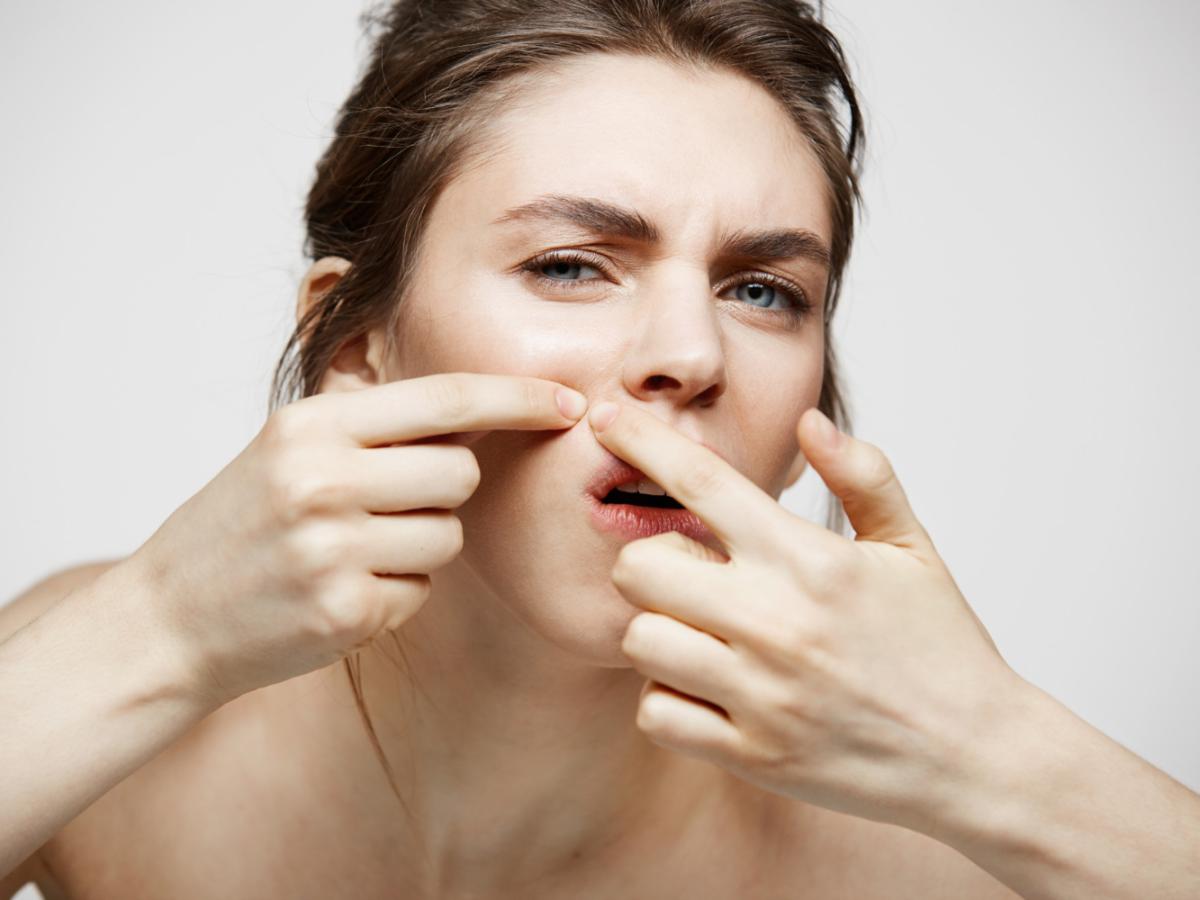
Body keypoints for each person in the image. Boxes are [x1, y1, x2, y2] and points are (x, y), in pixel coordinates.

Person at [2, 1, 1198, 897]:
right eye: (570, 265)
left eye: (764, 291)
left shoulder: (922, 863)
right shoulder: (93, 699)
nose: (692, 354)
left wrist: (999, 753)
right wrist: (155, 629)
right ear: (353, 348)